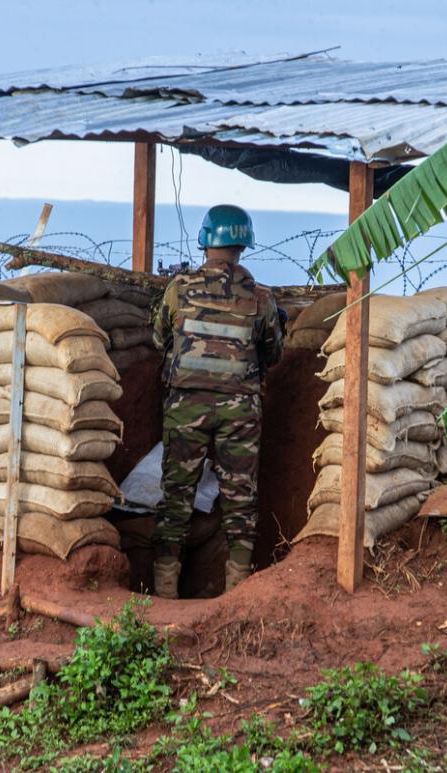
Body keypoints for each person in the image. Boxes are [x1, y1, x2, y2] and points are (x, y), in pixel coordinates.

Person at [150, 204, 284, 599]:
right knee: (240, 502)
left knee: (176, 497)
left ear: (206, 240)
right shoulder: (261, 298)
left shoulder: (179, 289)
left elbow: (160, 339)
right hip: (240, 411)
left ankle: (163, 595)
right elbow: (272, 354)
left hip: (185, 408)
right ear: (244, 244)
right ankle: (236, 596)